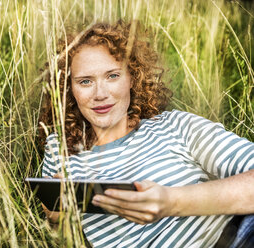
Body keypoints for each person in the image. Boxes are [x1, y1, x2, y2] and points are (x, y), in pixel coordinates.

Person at [38, 20, 254, 247]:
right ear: (68, 88)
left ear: (132, 77)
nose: (100, 94)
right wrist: (56, 217)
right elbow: (61, 229)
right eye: (85, 81)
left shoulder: (174, 125)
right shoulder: (58, 151)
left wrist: (171, 202)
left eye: (112, 76)